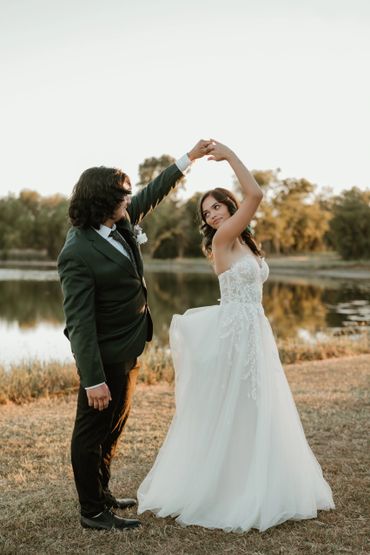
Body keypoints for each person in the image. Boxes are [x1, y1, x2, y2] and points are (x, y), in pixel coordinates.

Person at [137, 140, 335, 532]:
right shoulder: (223, 238)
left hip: (254, 330)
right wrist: (227, 155)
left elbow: (253, 201)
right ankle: (230, 490)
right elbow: (257, 193)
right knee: (240, 406)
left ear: (228, 206)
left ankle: (256, 480)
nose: (211, 216)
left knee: (257, 407)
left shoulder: (242, 240)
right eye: (206, 212)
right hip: (236, 334)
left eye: (216, 207)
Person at [57, 139, 212, 531]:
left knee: (114, 427)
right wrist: (93, 380)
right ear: (102, 200)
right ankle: (92, 511)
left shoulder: (120, 223)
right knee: (91, 432)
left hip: (129, 349)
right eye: (123, 195)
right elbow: (78, 323)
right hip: (104, 358)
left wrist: (188, 159)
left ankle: (103, 491)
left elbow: (153, 191)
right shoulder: (77, 251)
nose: (129, 200)